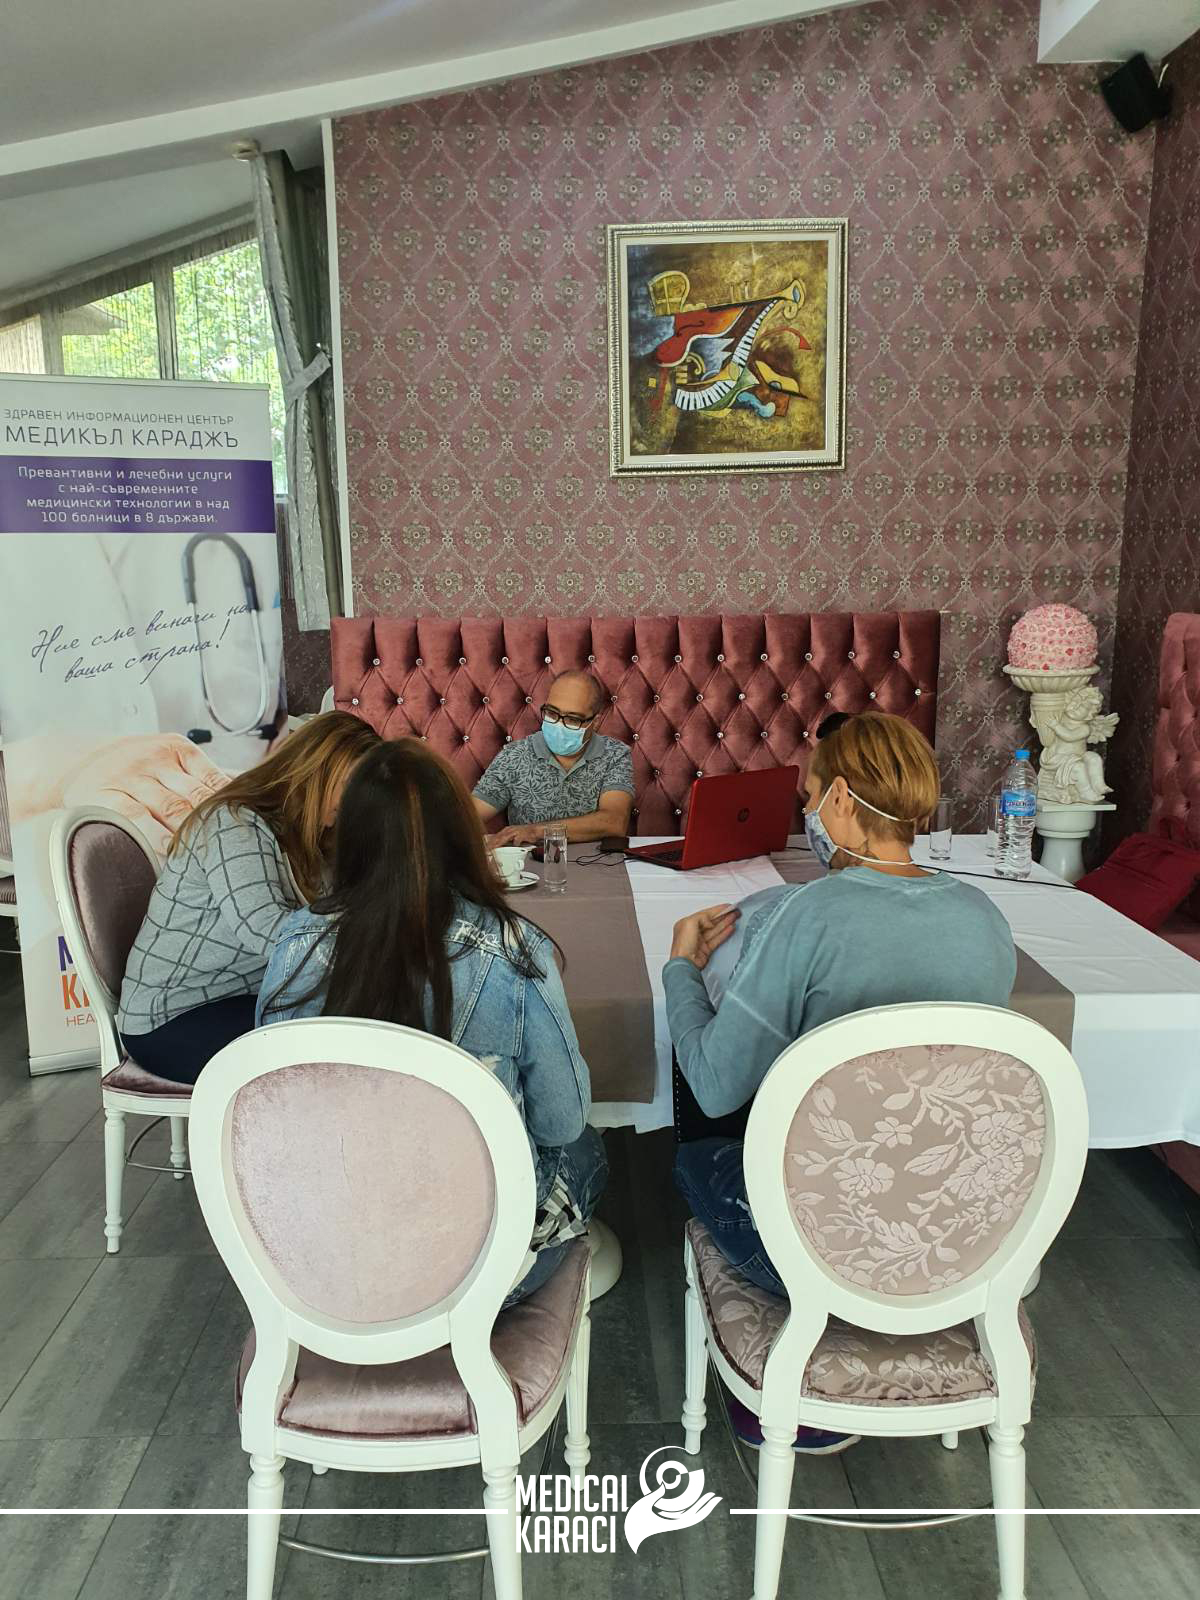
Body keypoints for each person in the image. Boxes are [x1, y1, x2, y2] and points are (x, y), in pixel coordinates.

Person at [665, 712, 1017, 1454]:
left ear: (843, 799)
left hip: (814, 1246)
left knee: (696, 1129)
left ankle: (794, 1369)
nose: (809, 815)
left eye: (811, 798)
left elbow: (717, 1084)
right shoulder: (984, 918)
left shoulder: (803, 916)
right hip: (956, 1242)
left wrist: (681, 970)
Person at [258, 737, 608, 1305]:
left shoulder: (294, 943)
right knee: (587, 1148)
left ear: (348, 836)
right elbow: (561, 1124)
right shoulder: (514, 951)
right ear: (463, 835)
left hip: (329, 1269)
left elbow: (275, 1112)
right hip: (475, 1275)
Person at [117, 711, 380, 1085]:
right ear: (315, 772)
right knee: (344, 1049)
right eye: (351, 785)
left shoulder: (318, 835)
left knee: (371, 1025)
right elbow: (268, 933)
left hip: (244, 996)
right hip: (172, 1017)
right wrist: (372, 943)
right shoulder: (234, 823)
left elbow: (344, 910)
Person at [472, 669, 634, 845]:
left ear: (594, 722)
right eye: (552, 713)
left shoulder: (615, 754)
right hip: (531, 861)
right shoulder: (514, 755)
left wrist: (535, 831)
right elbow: (469, 814)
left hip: (596, 860)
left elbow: (614, 822)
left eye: (573, 719)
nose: (559, 725)